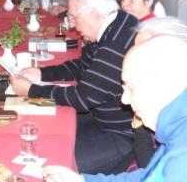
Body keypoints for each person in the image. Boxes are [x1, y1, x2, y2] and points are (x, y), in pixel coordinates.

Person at [11, 0, 138, 174]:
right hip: (101, 117)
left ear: (94, 14)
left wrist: (32, 90)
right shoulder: (115, 22)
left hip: (122, 135)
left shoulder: (114, 44)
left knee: (49, 167)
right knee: (45, 132)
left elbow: (83, 98)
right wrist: (42, 72)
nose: (70, 25)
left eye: (73, 17)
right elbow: (84, 66)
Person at [43, 35, 187, 182]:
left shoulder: (181, 160)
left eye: (130, 87)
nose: (124, 100)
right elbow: (146, 176)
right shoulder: (174, 129)